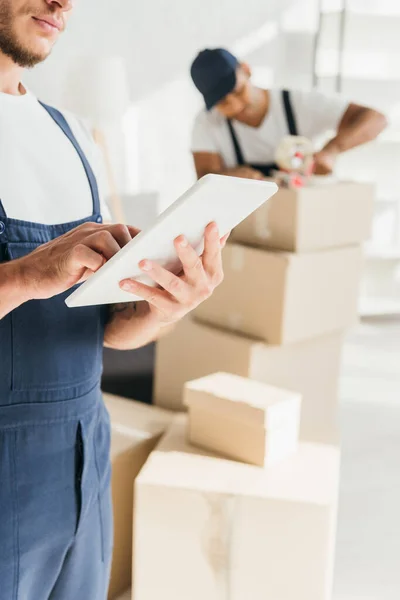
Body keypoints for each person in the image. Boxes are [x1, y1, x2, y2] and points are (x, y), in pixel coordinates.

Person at [0, 2, 226, 599]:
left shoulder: (78, 136)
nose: (62, 4)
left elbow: (109, 330)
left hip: (84, 453)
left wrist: (164, 304)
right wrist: (26, 276)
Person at [190, 48, 387, 180]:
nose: (235, 104)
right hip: (250, 228)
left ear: (246, 70)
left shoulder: (297, 103)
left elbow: (376, 119)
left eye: (237, 90)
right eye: (222, 102)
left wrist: (330, 151)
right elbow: (206, 178)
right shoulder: (207, 123)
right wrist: (233, 177)